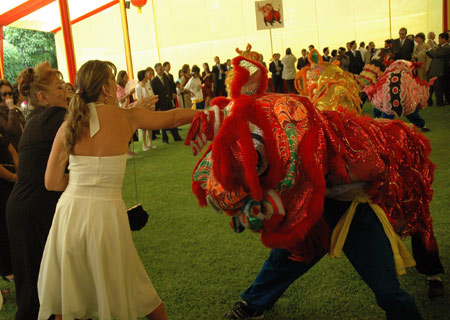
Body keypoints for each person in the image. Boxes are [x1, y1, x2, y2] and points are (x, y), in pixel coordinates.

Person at [37, 60, 199, 320]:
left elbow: (52, 182)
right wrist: (210, 112)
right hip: (105, 214)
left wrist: (83, 181)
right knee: (131, 281)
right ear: (105, 88)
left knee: (71, 292)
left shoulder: (69, 123)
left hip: (69, 215)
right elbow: (172, 117)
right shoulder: (126, 116)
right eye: (113, 82)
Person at [5, 61, 68, 320]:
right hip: (31, 213)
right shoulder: (54, 116)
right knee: (35, 291)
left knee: (39, 287)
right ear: (43, 97)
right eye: (59, 86)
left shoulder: (38, 117)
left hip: (27, 210)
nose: (66, 89)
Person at [0, 126, 17, 287]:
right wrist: (13, 177)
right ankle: (6, 269)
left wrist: (19, 171)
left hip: (12, 180)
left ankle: (13, 265)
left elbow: (10, 148)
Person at [151, 63, 183, 144]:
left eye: (162, 69)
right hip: (161, 104)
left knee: (172, 119)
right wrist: (157, 107)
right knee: (163, 122)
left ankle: (176, 137)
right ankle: (165, 138)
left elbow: (171, 86)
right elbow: (155, 94)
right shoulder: (154, 81)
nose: (162, 70)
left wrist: (173, 93)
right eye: (160, 69)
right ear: (156, 70)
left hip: (169, 101)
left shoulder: (166, 77)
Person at [0, 79, 26, 150]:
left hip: (24, 148)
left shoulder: (16, 110)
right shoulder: (3, 112)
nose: (8, 96)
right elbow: (11, 130)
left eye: (10, 93)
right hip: (13, 152)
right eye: (5, 94)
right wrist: (11, 108)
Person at [426, 32, 450, 106]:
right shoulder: (439, 46)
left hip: (440, 70)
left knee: (438, 88)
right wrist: (428, 51)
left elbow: (438, 54)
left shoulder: (447, 47)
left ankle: (440, 102)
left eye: (440, 38)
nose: (438, 40)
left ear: (444, 39)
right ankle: (429, 102)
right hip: (433, 69)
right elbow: (433, 55)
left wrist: (430, 49)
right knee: (430, 87)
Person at [135, 70, 156, 150]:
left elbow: (152, 94)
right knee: (144, 127)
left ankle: (150, 142)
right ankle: (144, 144)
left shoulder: (148, 84)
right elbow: (138, 98)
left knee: (150, 125)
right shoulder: (138, 87)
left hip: (150, 106)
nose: (147, 76)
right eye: (146, 75)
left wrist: (152, 102)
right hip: (143, 107)